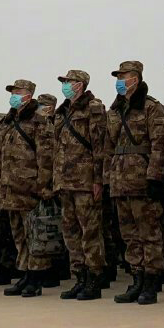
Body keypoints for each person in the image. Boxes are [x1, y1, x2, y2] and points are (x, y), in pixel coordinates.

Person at [103, 62, 164, 307]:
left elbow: (159, 145)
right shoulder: (115, 110)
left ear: (137, 78)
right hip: (121, 182)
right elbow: (108, 147)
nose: (120, 80)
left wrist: (155, 177)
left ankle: (151, 281)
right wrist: (107, 179)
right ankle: (137, 278)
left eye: (124, 76)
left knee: (149, 234)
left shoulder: (151, 108)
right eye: (118, 76)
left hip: (142, 181)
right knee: (129, 235)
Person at [52, 70, 108, 301]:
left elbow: (99, 145)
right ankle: (79, 277)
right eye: (64, 82)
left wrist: (98, 179)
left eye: (69, 82)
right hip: (65, 181)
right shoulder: (62, 111)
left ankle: (94, 278)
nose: (65, 85)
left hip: (85, 181)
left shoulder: (93, 108)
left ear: (80, 85)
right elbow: (57, 149)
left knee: (90, 232)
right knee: (71, 232)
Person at [0, 79, 56, 298]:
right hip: (11, 188)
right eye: (12, 91)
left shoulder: (38, 121)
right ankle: (24, 273)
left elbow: (46, 156)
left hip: (30, 188)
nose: (13, 95)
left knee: (35, 236)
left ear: (29, 95)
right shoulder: (10, 121)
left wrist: (42, 185)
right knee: (19, 235)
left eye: (18, 91)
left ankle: (36, 277)